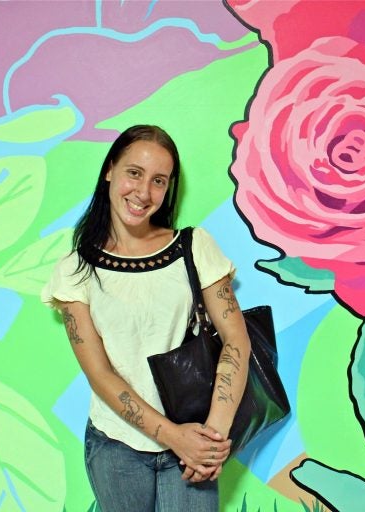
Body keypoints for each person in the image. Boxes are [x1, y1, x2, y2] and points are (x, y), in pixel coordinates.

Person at [41, 124, 252, 511]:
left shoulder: (193, 246)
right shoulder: (75, 269)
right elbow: (100, 374)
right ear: (110, 171)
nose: (143, 192)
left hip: (195, 436)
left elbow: (236, 340)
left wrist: (212, 438)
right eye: (134, 173)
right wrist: (173, 437)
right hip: (115, 445)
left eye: (159, 180)